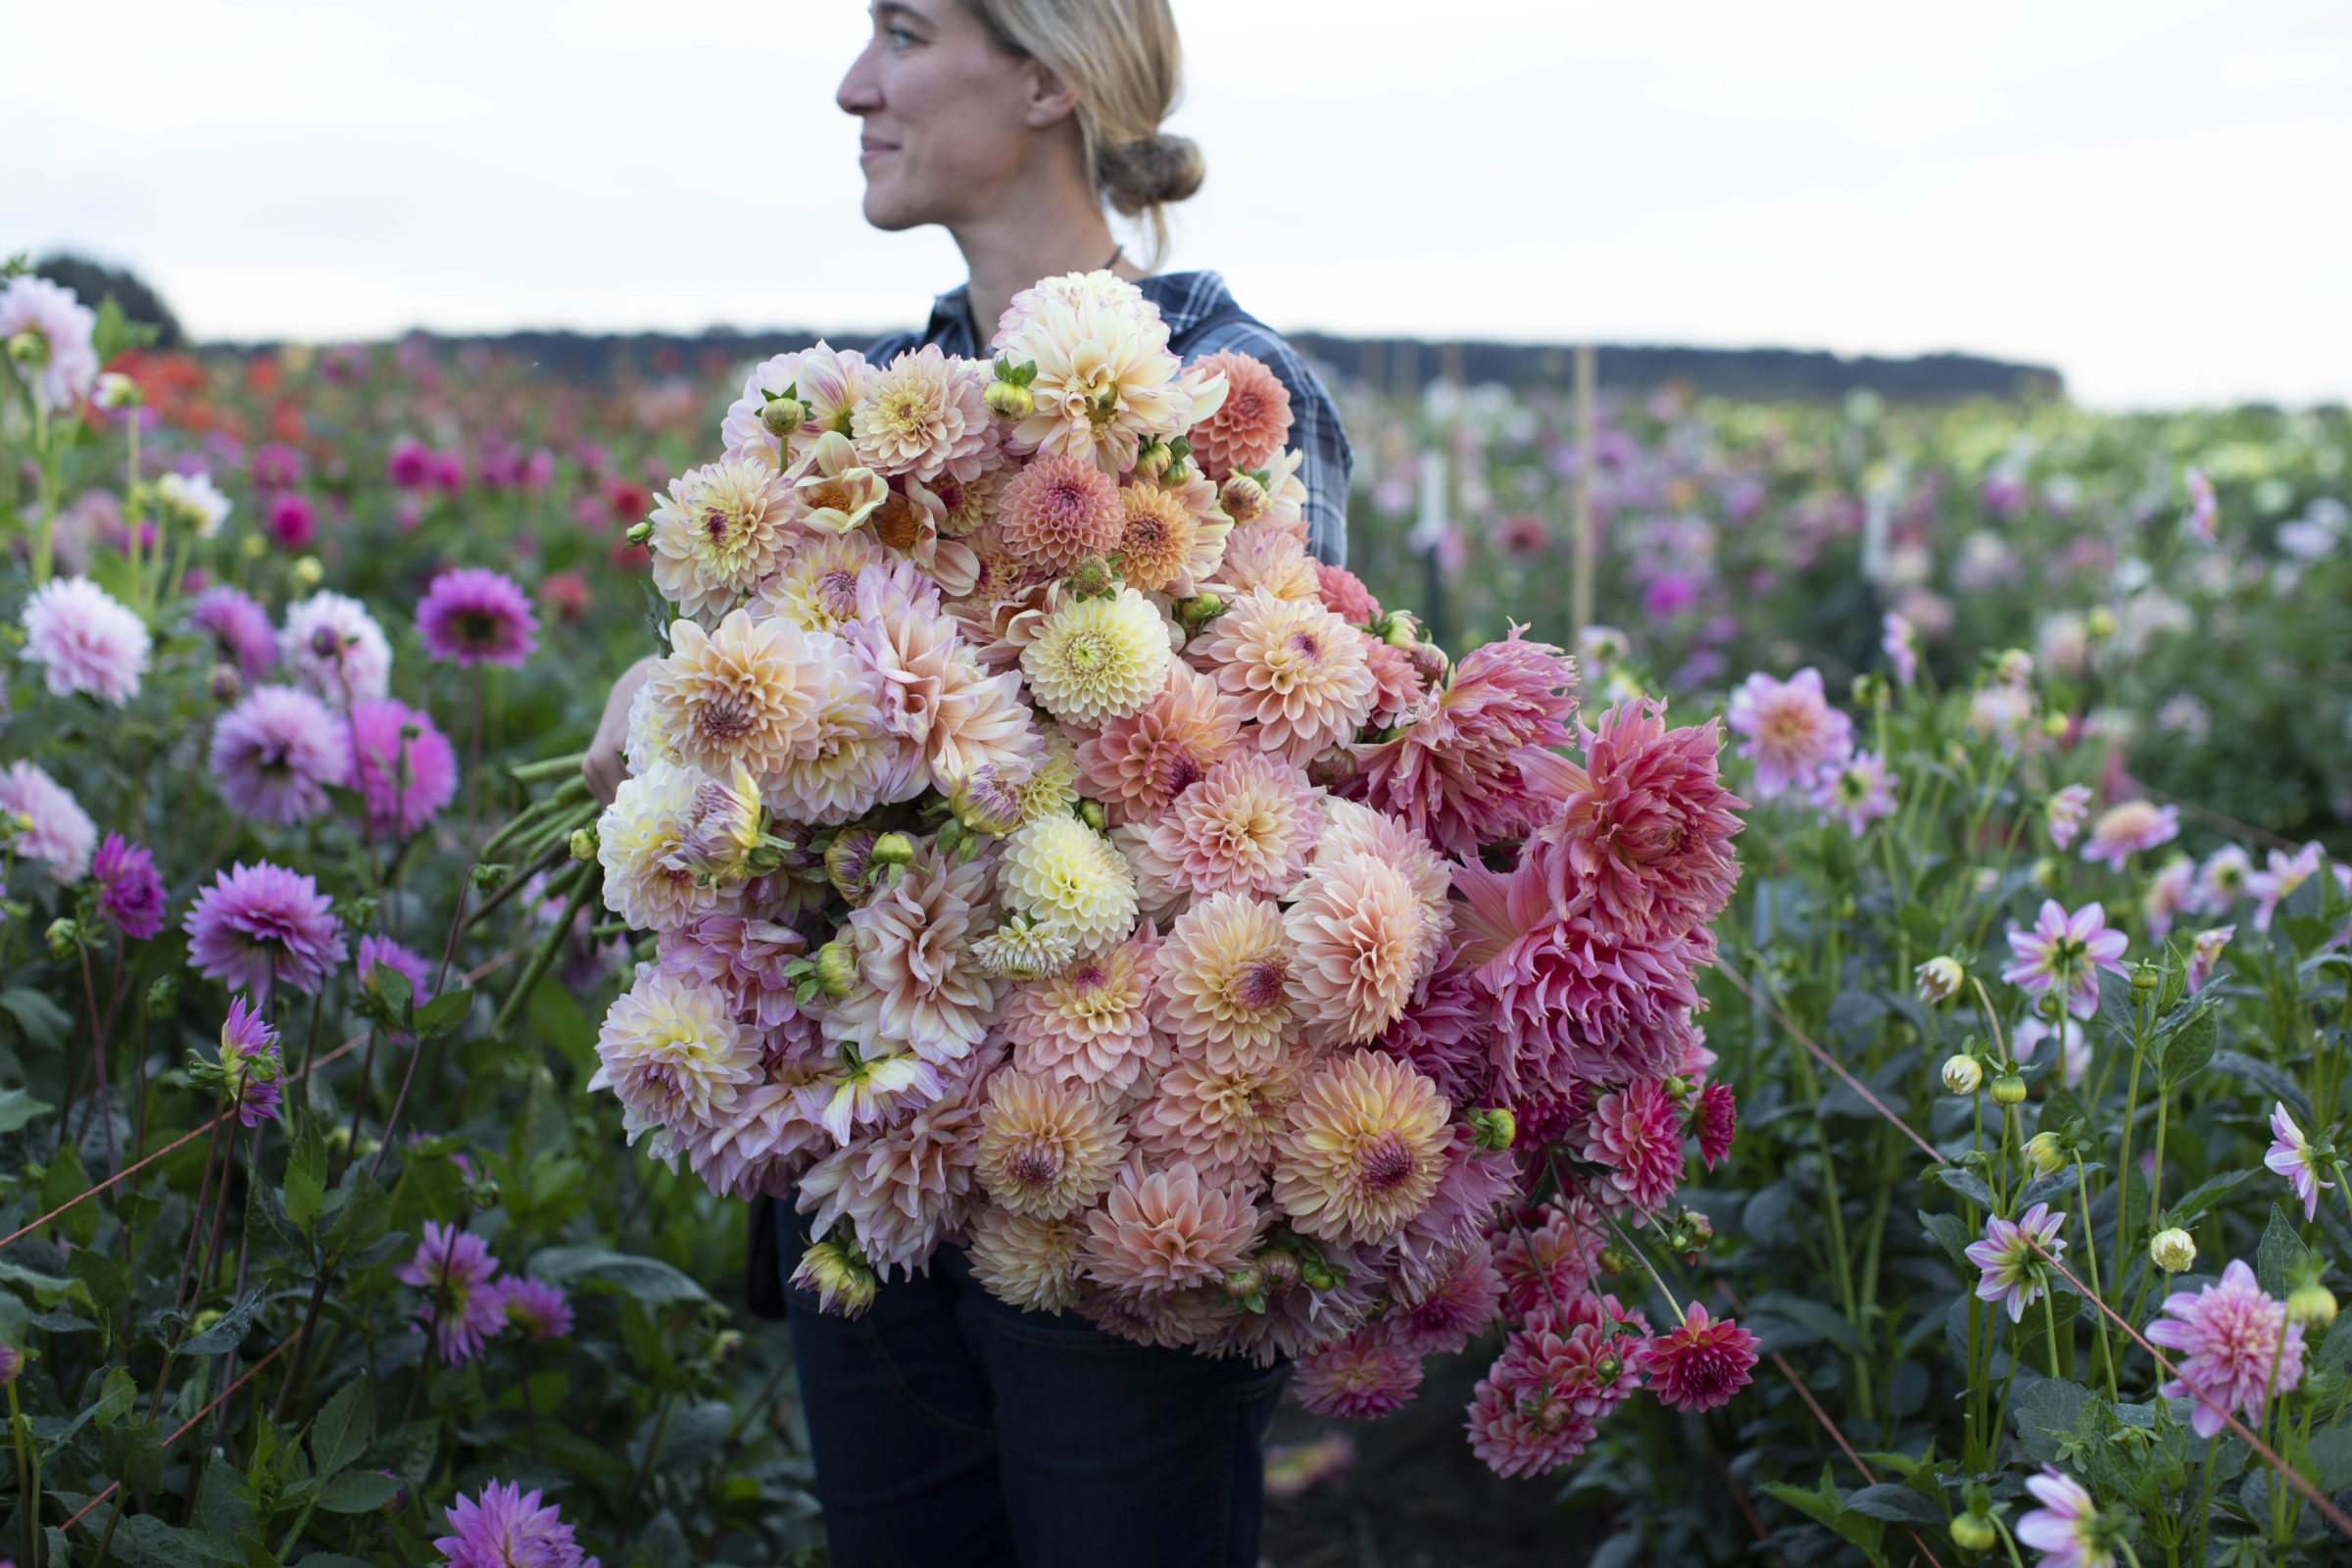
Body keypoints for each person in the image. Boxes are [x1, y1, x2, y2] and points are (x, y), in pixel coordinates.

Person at [582, 4, 1350, 1563]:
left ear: (1051, 72)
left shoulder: (1229, 396)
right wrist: (682, 710)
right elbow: (792, 786)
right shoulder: (866, 415)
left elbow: (1247, 813)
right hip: (867, 1174)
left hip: (1104, 1187)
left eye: (907, 32)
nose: (855, 82)